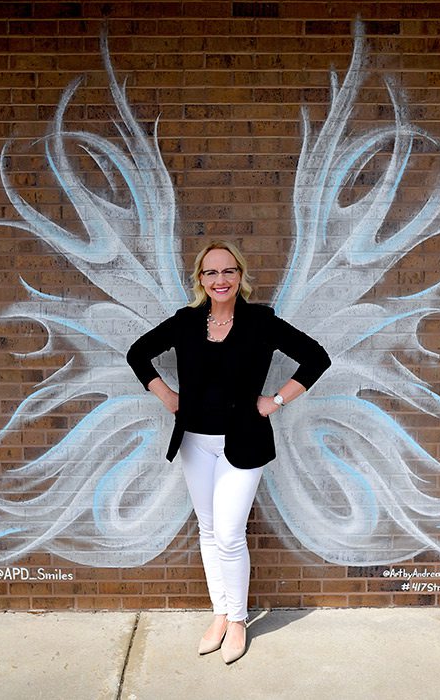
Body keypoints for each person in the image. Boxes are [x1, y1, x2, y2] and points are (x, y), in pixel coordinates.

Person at [126, 240, 331, 664]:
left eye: (228, 271)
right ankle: (220, 613)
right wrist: (165, 395)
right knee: (208, 530)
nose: (220, 280)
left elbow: (316, 357)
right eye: (211, 272)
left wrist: (275, 400)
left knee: (230, 534)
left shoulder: (260, 321)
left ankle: (238, 620)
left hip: (244, 443)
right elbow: (138, 353)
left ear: (240, 276)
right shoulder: (185, 322)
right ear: (200, 280)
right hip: (194, 443)